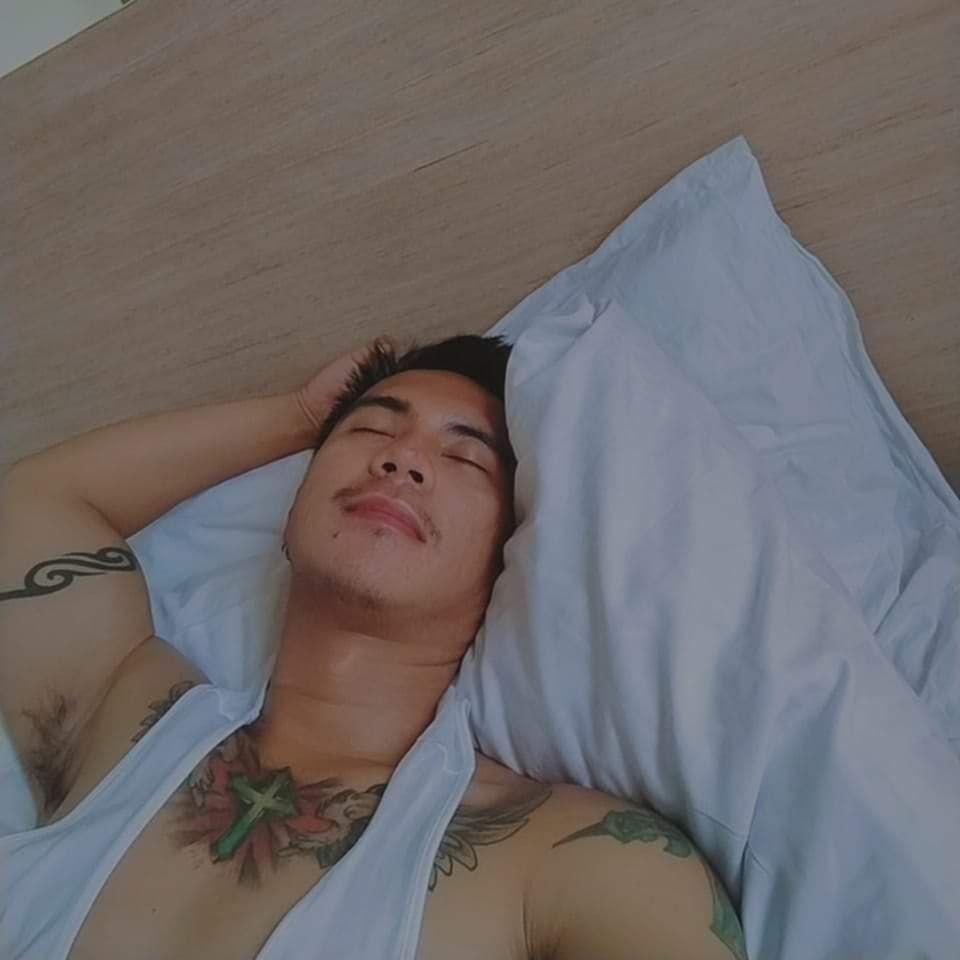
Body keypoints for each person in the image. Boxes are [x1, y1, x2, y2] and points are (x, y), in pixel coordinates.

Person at [0, 333, 747, 959]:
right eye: (370, 430)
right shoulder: (132, 725)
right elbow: (36, 502)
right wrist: (297, 416)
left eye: (465, 458)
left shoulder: (568, 860)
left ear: (512, 556)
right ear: (293, 506)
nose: (402, 460)